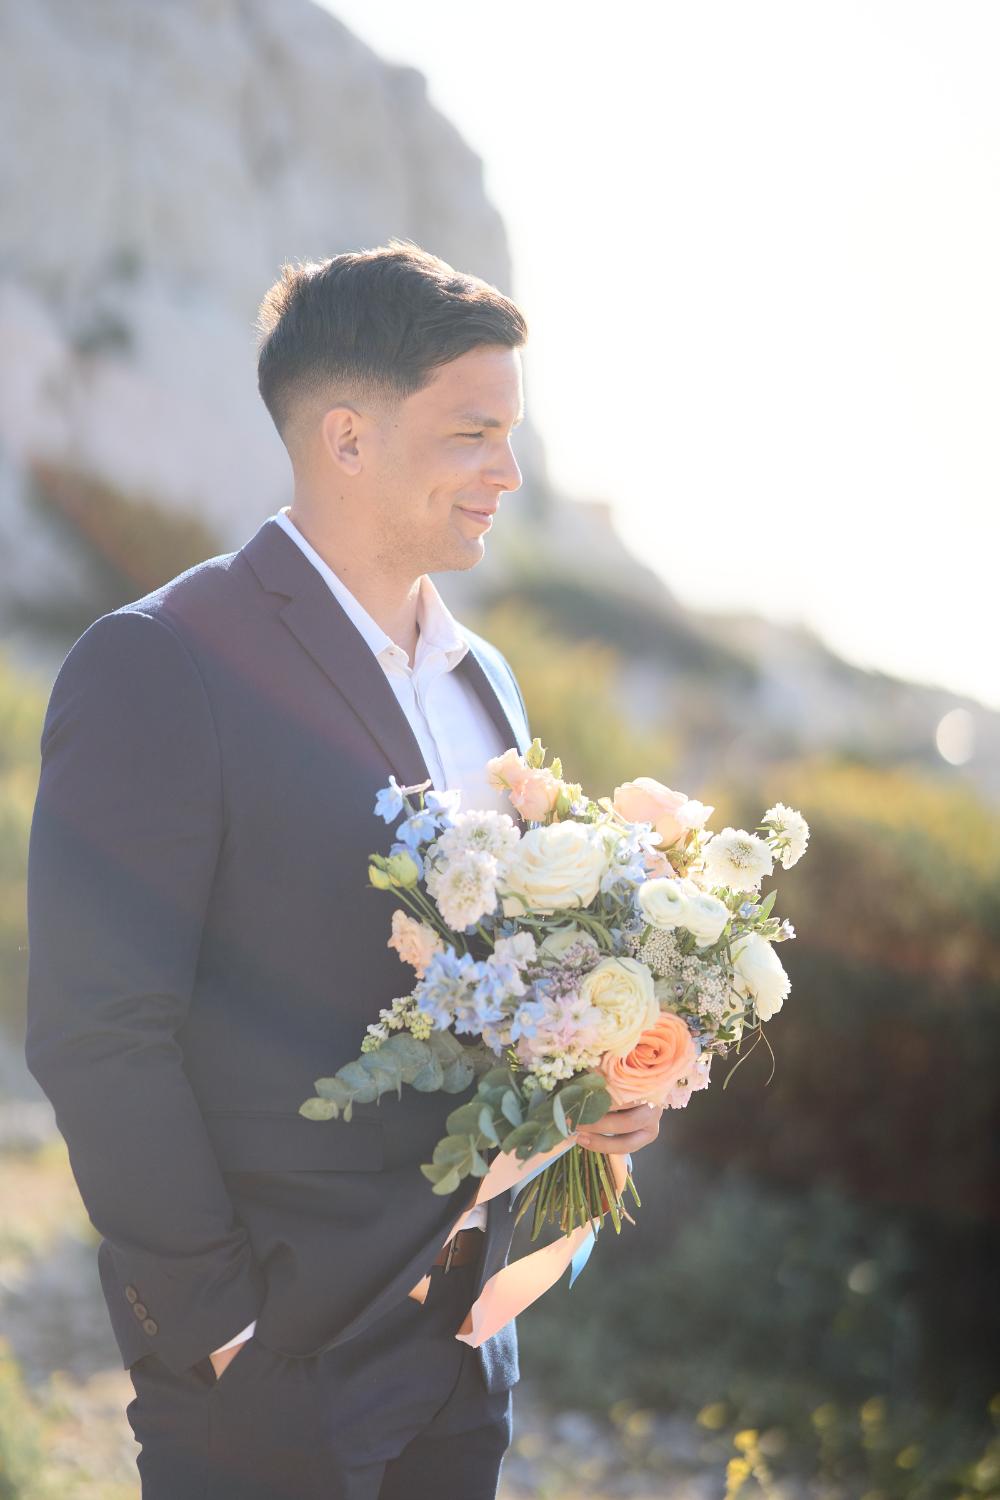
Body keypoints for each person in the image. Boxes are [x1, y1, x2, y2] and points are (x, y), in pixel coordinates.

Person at [24, 239, 663, 1499]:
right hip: (270, 1361)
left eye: (511, 432)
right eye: (474, 432)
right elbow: (100, 1031)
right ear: (347, 436)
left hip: (468, 1346)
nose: (508, 471)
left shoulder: (490, 687)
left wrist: (595, 1082)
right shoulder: (160, 662)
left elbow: (500, 992)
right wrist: (215, 1326)